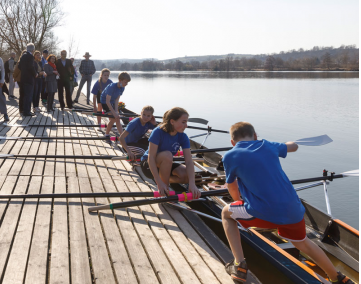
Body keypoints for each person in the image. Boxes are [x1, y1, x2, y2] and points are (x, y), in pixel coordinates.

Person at [220, 122, 354, 284]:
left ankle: (239, 265)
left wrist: (237, 202)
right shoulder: (268, 145)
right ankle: (337, 277)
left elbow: (232, 187)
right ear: (256, 136)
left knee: (226, 213)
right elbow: (293, 147)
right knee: (304, 243)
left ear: (232, 143)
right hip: (294, 210)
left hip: (262, 211)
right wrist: (292, 143)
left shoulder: (230, 155)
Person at [139, 107, 201, 197]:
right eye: (183, 122)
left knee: (187, 175)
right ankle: (165, 190)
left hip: (165, 164)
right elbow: (151, 157)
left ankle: (165, 180)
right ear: (172, 122)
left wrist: (192, 183)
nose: (186, 125)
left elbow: (188, 161)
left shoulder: (183, 136)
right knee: (167, 155)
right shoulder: (158, 132)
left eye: (186, 122)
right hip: (148, 165)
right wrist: (159, 183)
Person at [100, 71, 130, 136]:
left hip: (112, 101)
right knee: (114, 118)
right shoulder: (112, 87)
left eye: (127, 82)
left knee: (117, 118)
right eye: (125, 82)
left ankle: (122, 136)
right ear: (120, 80)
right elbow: (107, 102)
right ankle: (107, 134)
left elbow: (116, 100)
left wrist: (116, 111)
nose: (127, 84)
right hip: (105, 102)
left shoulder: (122, 88)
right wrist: (114, 113)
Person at [18, 43, 37, 116]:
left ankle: (22, 109)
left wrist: (24, 71)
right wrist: (35, 73)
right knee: (28, 95)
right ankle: (27, 111)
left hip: (23, 78)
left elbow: (19, 66)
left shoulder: (23, 55)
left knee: (22, 95)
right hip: (29, 78)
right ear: (33, 50)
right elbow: (31, 67)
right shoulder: (30, 56)